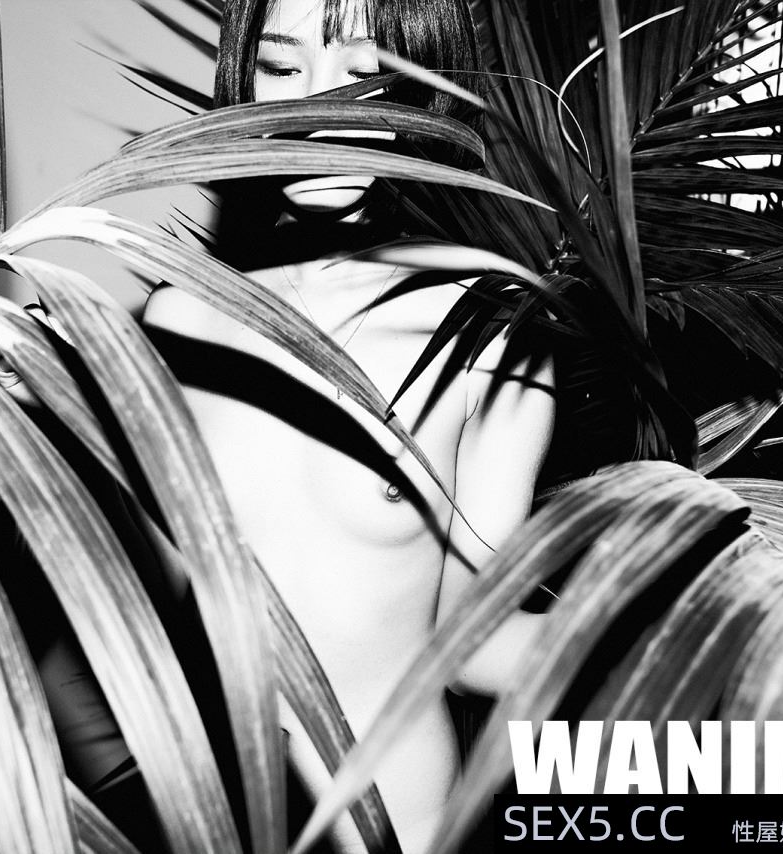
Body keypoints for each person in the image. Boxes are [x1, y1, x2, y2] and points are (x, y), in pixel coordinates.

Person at [34, 0, 555, 851]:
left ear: (425, 87)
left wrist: (683, 643)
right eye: (282, 68)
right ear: (244, 86)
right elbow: (135, 618)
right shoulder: (178, 321)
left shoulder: (488, 335)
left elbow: (473, 642)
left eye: (364, 73)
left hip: (398, 828)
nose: (320, 108)